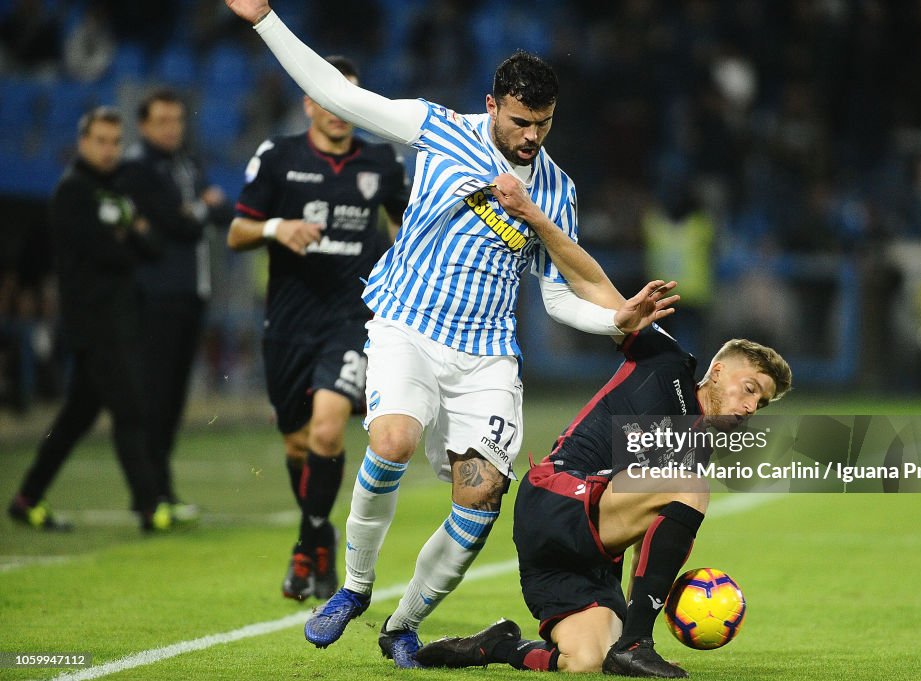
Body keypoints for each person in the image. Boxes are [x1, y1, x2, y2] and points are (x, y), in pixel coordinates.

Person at [224, 0, 679, 667]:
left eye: (543, 125)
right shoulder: (435, 128)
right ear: (491, 104)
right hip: (407, 326)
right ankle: (352, 587)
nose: (531, 137)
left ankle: (402, 622)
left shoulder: (556, 190)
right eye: (521, 121)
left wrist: (614, 318)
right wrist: (265, 19)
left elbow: (557, 295)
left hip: (486, 357)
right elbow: (333, 93)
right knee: (393, 439)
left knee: (480, 493)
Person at [417, 327, 792, 677]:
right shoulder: (667, 365)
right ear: (718, 370)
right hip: (557, 496)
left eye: (759, 403)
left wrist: (635, 631)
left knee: (587, 660)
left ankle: (498, 647)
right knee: (691, 486)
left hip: (588, 553)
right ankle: (633, 644)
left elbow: (644, 547)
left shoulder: (697, 450)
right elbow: (613, 311)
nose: (749, 406)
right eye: (749, 388)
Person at [227, 55, 409, 602]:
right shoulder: (278, 157)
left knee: (328, 430)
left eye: (346, 99)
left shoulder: (381, 161)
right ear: (309, 102)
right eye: (326, 98)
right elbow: (237, 232)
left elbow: (410, 230)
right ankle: (318, 536)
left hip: (354, 318)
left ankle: (309, 544)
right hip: (287, 320)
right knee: (298, 441)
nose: (337, 111)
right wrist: (278, 228)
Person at [6, 106, 176, 533]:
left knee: (77, 416)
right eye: (100, 140)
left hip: (119, 319)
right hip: (92, 321)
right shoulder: (73, 191)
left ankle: (27, 498)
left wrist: (129, 234)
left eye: (115, 142)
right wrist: (129, 234)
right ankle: (150, 505)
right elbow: (105, 251)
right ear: (83, 142)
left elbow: (153, 245)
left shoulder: (115, 190)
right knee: (130, 410)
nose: (107, 149)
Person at [120, 88, 233, 522]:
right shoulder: (137, 166)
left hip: (189, 294)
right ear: (144, 125)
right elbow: (174, 222)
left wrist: (195, 211)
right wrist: (197, 210)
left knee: (171, 399)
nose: (172, 128)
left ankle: (161, 492)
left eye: (177, 120)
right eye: (162, 121)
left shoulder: (186, 162)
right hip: (156, 296)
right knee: (154, 396)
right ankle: (149, 497)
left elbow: (214, 213)